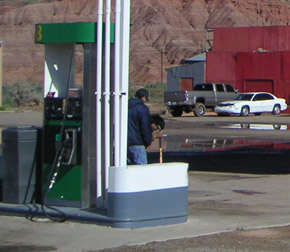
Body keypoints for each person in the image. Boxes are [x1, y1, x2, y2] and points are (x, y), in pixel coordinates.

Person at [127, 89, 164, 165]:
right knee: (141, 171)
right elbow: (145, 128)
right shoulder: (142, 108)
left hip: (124, 144)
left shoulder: (125, 106)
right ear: (143, 97)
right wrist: (148, 142)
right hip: (137, 144)